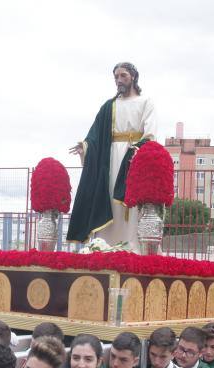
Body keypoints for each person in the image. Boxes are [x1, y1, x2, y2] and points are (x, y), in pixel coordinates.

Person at [66, 62, 157, 250]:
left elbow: (150, 134)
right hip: (108, 159)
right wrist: (86, 147)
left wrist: (138, 150)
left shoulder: (145, 102)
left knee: (129, 204)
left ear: (133, 77)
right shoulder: (109, 106)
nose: (119, 80)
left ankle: (131, 246)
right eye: (116, 77)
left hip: (133, 157)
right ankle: (105, 245)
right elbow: (95, 135)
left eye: (123, 75)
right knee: (107, 197)